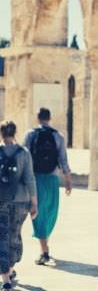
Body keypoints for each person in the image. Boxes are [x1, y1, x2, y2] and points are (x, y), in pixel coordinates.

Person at [23, 108, 72, 265]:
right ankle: (44, 249)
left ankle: (44, 248)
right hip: (52, 179)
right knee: (50, 212)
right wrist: (68, 179)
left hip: (35, 178)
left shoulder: (30, 134)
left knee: (38, 213)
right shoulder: (58, 136)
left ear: (37, 118)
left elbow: (25, 157)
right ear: (50, 118)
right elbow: (63, 159)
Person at [0, 121, 38, 290]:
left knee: (2, 237)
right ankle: (11, 268)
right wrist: (34, 202)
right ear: (15, 133)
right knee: (14, 235)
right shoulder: (24, 153)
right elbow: (30, 178)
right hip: (21, 201)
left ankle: (6, 278)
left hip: (1, 201)